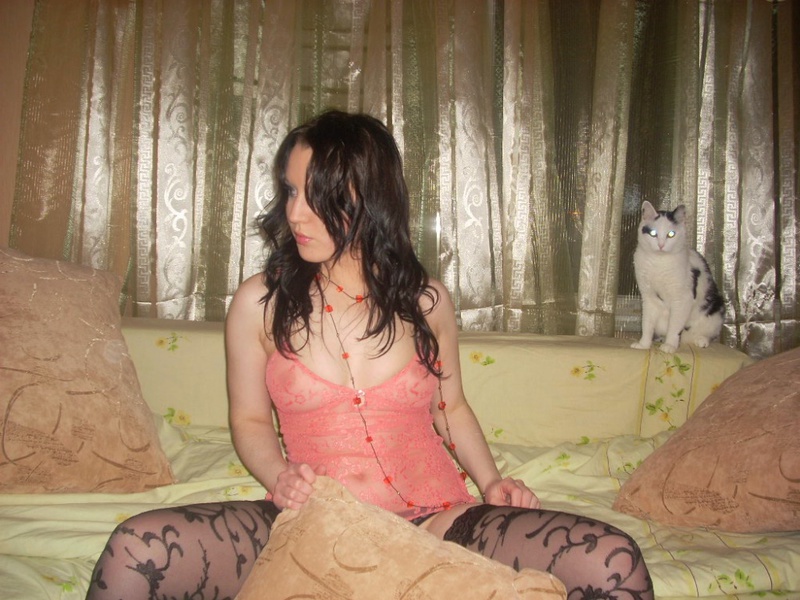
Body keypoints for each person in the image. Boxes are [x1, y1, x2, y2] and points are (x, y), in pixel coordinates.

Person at [86, 111, 653, 600]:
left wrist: (491, 483)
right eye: (290, 191)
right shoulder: (260, 302)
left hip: (436, 520)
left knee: (611, 558)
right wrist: (279, 476)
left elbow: (451, 408)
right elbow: (250, 419)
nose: (295, 214)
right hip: (312, 521)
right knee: (137, 549)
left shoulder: (426, 301)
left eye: (318, 196)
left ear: (371, 199)